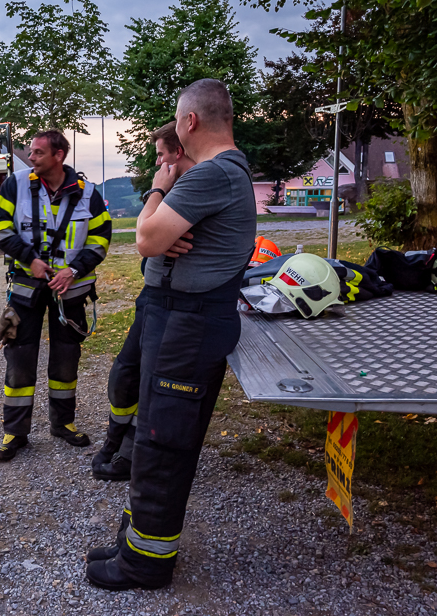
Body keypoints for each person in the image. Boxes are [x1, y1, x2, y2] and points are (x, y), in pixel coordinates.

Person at [85, 79, 257, 590]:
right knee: (154, 432)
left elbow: (145, 238)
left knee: (165, 442)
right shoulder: (219, 173)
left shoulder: (213, 173)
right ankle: (135, 539)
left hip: (190, 323)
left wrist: (158, 192)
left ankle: (146, 564)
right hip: (179, 319)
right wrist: (161, 231)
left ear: (189, 122)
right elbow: (156, 242)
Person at [0, 130, 112, 461]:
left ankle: (63, 424)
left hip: (70, 290)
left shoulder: (88, 194)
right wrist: (29, 258)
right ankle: (15, 432)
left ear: (59, 155)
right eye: (31, 151)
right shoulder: (15, 185)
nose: (31, 157)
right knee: (19, 359)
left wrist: (74, 270)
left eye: (38, 152)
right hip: (26, 288)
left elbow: (101, 239)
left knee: (66, 358)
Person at [91, 121, 196, 482]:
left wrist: (156, 192)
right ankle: (115, 440)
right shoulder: (176, 192)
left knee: (152, 385)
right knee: (124, 375)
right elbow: (148, 247)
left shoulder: (187, 190)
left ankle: (131, 454)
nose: (157, 163)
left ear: (177, 153)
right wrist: (156, 242)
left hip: (175, 306)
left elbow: (146, 240)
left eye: (161, 155)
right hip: (152, 297)